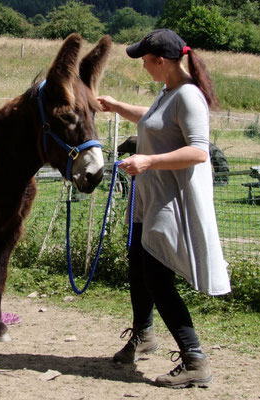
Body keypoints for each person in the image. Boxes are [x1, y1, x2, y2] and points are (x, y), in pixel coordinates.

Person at [97, 29, 231, 389]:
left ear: (162, 61)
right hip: (150, 198)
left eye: (144, 60)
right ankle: (144, 335)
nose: (142, 66)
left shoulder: (189, 97)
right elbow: (154, 119)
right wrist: (117, 106)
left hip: (171, 202)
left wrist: (149, 161)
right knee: (138, 266)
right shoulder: (168, 92)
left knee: (158, 279)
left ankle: (195, 359)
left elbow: (199, 152)